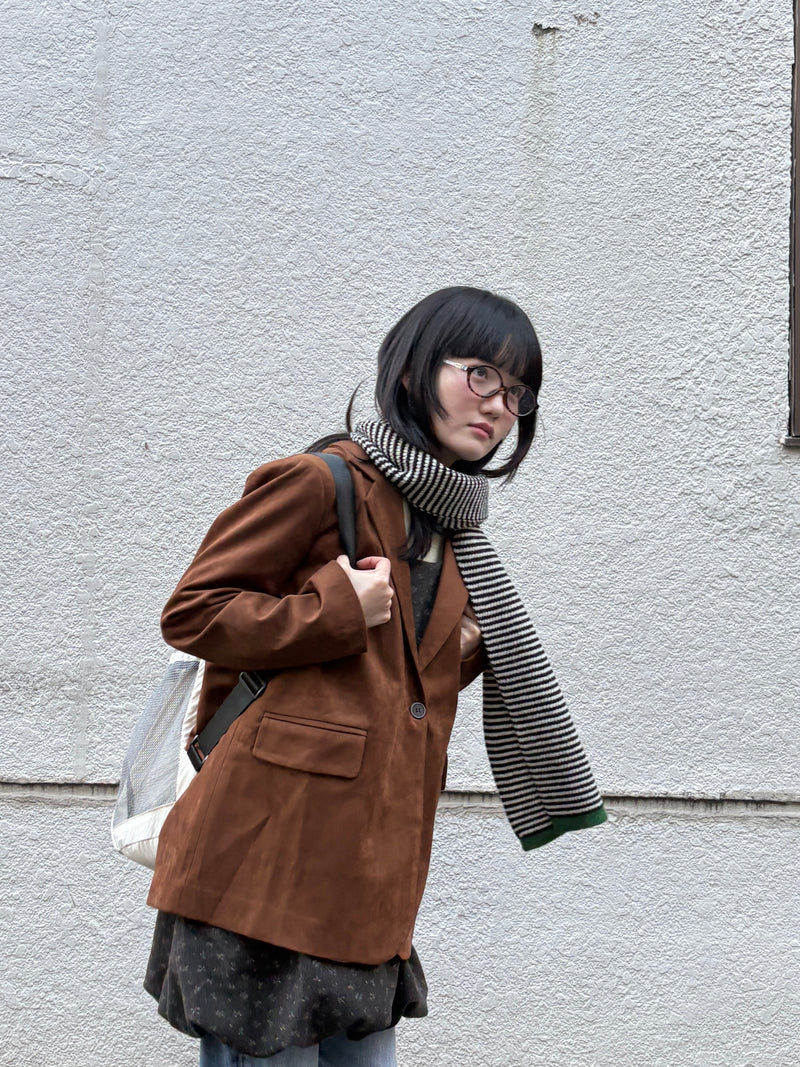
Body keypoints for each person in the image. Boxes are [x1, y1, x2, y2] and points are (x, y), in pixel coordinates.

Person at [144, 286, 607, 1066]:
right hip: (259, 874)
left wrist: (461, 649)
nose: (499, 405)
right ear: (415, 372)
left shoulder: (455, 535)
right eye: (481, 375)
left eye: (518, 392)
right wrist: (333, 607)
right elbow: (193, 611)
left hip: (364, 890)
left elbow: (392, 690)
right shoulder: (319, 482)